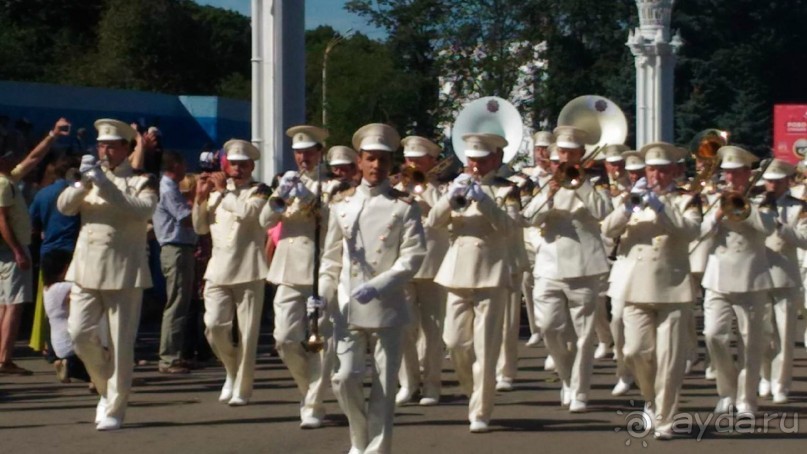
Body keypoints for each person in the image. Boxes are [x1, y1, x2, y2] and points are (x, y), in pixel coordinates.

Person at [319, 123, 426, 453]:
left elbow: (413, 257)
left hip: (387, 305)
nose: (376, 166)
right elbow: (331, 258)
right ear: (359, 162)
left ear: (391, 164)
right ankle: (359, 437)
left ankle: (377, 448)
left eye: (383, 159)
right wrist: (322, 294)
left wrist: (378, 286)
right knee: (344, 378)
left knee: (383, 385)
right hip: (347, 307)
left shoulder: (404, 207)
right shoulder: (342, 205)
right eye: (370, 158)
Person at [57, 118, 158, 430]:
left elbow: (142, 210)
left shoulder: (142, 180)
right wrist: (84, 184)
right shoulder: (90, 177)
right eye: (102, 145)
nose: (106, 151)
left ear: (127, 149)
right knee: (78, 334)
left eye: (112, 146)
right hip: (86, 268)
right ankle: (105, 387)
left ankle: (115, 406)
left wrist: (103, 184)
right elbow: (64, 207)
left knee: (120, 342)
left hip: (123, 270)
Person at [602, 142, 701, 439]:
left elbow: (690, 231)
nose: (656, 174)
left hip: (671, 286)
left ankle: (666, 418)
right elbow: (607, 229)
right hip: (636, 285)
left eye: (662, 169)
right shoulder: (630, 197)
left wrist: (660, 208)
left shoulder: (687, 199)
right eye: (651, 169)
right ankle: (651, 399)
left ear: (673, 171)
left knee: (669, 358)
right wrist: (628, 206)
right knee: (635, 351)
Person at [427, 133, 518, 432]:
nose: (475, 166)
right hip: (457, 270)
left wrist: (486, 202)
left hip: (490, 272)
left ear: (495, 160)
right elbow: (433, 222)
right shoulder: (457, 185)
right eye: (471, 161)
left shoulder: (507, 190)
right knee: (455, 343)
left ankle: (480, 410)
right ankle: (472, 391)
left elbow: (510, 228)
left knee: (486, 347)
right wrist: (451, 195)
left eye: (481, 161)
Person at [522, 126, 612, 413]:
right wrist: (549, 193)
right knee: (549, 328)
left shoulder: (595, 182)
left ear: (581, 155)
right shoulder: (545, 182)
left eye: (572, 153)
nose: (567, 158)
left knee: (585, 336)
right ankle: (566, 378)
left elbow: (603, 212)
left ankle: (581, 389)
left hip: (583, 265)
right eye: (562, 152)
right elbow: (529, 219)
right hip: (548, 265)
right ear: (555, 154)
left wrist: (580, 183)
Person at [260, 125, 332, 428]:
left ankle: (313, 405)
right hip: (288, 268)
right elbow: (264, 220)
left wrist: (308, 198)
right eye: (299, 153)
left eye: (309, 152)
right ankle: (308, 392)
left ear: (320, 154)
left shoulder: (332, 187)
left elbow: (330, 220)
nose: (304, 158)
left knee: (320, 342)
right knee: (285, 339)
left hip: (319, 269)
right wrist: (279, 194)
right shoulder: (285, 183)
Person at [192, 139, 269, 406]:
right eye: (233, 164)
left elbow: (249, 214)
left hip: (249, 268)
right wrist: (200, 199)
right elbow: (200, 228)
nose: (238, 169)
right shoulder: (217, 194)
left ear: (251, 166)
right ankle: (230, 369)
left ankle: (242, 388)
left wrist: (225, 192)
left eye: (243, 165)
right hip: (218, 269)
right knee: (213, 326)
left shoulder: (260, 191)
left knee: (247, 333)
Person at [701, 145, 776, 416]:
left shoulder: (762, 199)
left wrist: (746, 208)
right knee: (714, 336)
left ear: (747, 173)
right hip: (718, 277)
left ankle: (746, 399)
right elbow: (697, 233)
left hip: (751, 278)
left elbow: (767, 228)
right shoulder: (711, 197)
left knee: (751, 342)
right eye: (726, 173)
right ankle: (726, 391)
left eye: (735, 173)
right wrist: (717, 214)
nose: (730, 178)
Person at [0, 117, 70, 375]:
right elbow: (2, 221)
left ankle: (3, 354)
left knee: (6, 305)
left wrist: (51, 135)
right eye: (7, 155)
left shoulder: (7, 178)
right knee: (13, 305)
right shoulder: (2, 183)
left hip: (9, 251)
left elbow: (31, 160)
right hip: (11, 251)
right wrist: (19, 251)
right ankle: (4, 359)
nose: (12, 158)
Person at [395, 135, 450, 405]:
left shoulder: (442, 188)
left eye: (418, 160)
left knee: (432, 329)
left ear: (432, 162)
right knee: (405, 327)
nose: (412, 165)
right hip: (403, 264)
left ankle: (432, 384)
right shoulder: (395, 187)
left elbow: (442, 217)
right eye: (409, 160)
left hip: (433, 264)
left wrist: (424, 187)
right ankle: (408, 382)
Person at [758, 159, 807, 404]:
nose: (772, 185)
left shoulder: (800, 207)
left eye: (777, 181)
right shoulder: (756, 203)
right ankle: (764, 376)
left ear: (787, 181)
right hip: (757, 275)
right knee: (761, 333)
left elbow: (805, 239)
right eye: (768, 181)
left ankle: (781, 383)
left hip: (786, 276)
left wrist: (780, 226)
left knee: (785, 334)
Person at [153, 151, 198, 374]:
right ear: (176, 164)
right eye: (184, 163)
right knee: (176, 302)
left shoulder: (170, 188)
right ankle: (169, 357)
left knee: (181, 301)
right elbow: (186, 218)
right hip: (176, 248)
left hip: (180, 248)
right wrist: (201, 199)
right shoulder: (168, 189)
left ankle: (176, 353)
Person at [42, 249, 93, 385]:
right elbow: (87, 287)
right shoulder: (64, 287)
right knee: (98, 368)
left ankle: (66, 366)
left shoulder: (47, 289)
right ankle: (83, 375)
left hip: (58, 344)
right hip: (72, 344)